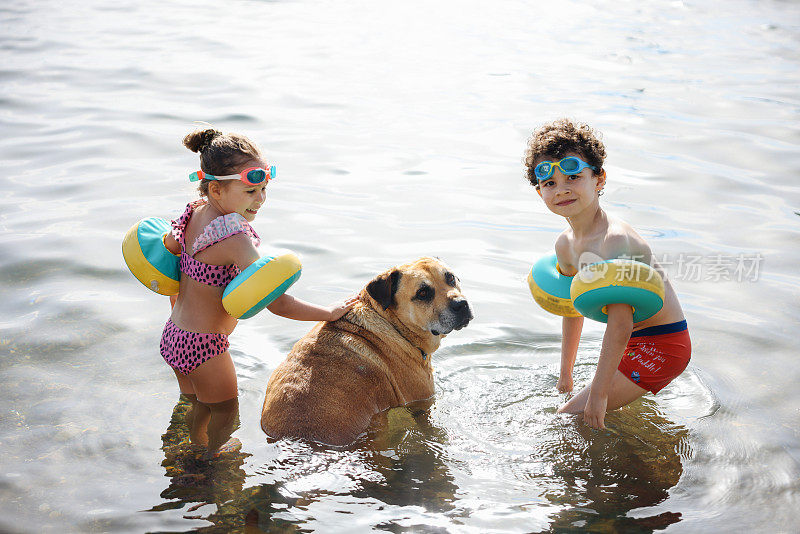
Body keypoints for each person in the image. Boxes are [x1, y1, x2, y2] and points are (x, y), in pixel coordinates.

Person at [161, 128, 358, 455]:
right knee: (223, 416)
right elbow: (276, 302)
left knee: (195, 408)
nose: (261, 198)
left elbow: (168, 253)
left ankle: (185, 456)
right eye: (251, 190)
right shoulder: (234, 239)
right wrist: (329, 312)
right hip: (205, 348)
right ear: (216, 189)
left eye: (264, 189)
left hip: (174, 336)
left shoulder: (192, 212)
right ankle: (212, 472)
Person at [523, 118, 690, 429]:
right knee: (579, 410)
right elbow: (571, 309)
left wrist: (599, 394)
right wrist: (566, 374)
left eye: (573, 177)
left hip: (663, 345)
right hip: (632, 341)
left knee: (569, 421)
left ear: (599, 179)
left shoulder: (613, 241)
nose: (562, 190)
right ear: (539, 192)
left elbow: (621, 323)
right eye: (550, 184)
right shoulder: (565, 245)